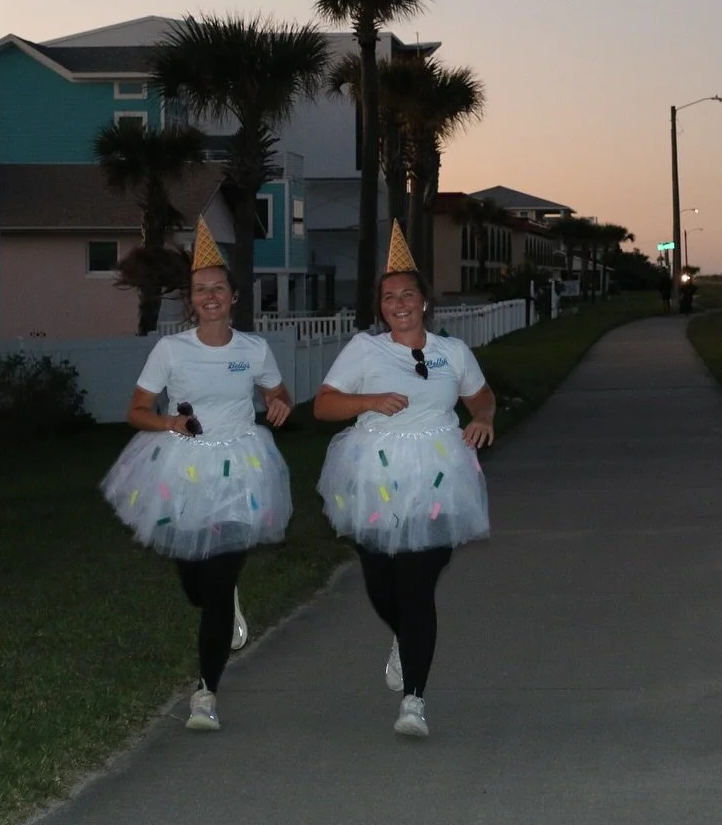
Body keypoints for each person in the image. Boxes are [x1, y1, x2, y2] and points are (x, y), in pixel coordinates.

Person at [100, 217, 293, 732]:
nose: (209, 296)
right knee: (196, 585)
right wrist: (169, 421)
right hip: (182, 465)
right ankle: (220, 595)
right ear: (191, 300)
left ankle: (206, 692)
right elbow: (136, 410)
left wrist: (277, 404)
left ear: (233, 297)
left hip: (241, 468)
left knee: (218, 578)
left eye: (217, 289)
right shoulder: (171, 350)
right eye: (199, 290)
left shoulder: (253, 350)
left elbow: (278, 393)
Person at [314, 221, 496, 738]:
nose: (399, 303)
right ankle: (403, 637)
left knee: (417, 588)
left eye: (407, 294)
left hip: (439, 476)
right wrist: (369, 401)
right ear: (381, 307)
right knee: (381, 584)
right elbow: (325, 405)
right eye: (389, 296)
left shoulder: (452, 351)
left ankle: (414, 700)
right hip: (375, 475)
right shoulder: (365, 352)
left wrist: (484, 416)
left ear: (424, 301)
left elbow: (479, 395)